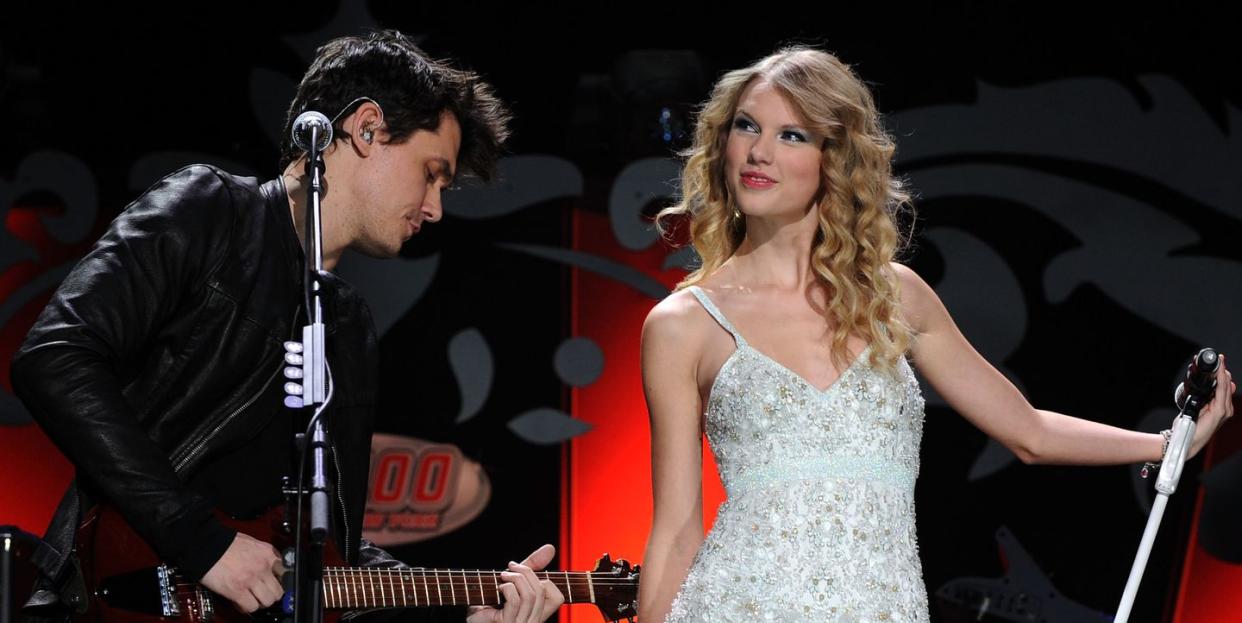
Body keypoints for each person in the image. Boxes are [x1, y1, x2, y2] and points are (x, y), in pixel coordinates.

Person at [636, 46, 1236, 622]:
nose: (758, 152)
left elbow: (1027, 431)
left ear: (834, 159)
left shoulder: (894, 296)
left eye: (791, 134)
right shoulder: (683, 324)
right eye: (747, 127)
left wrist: (1168, 445)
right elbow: (677, 530)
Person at [11, 30, 563, 623]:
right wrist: (202, 543)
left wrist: (464, 611)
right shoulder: (212, 210)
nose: (434, 207)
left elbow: (329, 558)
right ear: (367, 128)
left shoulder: (348, 326)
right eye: (431, 174)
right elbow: (55, 356)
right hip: (116, 596)